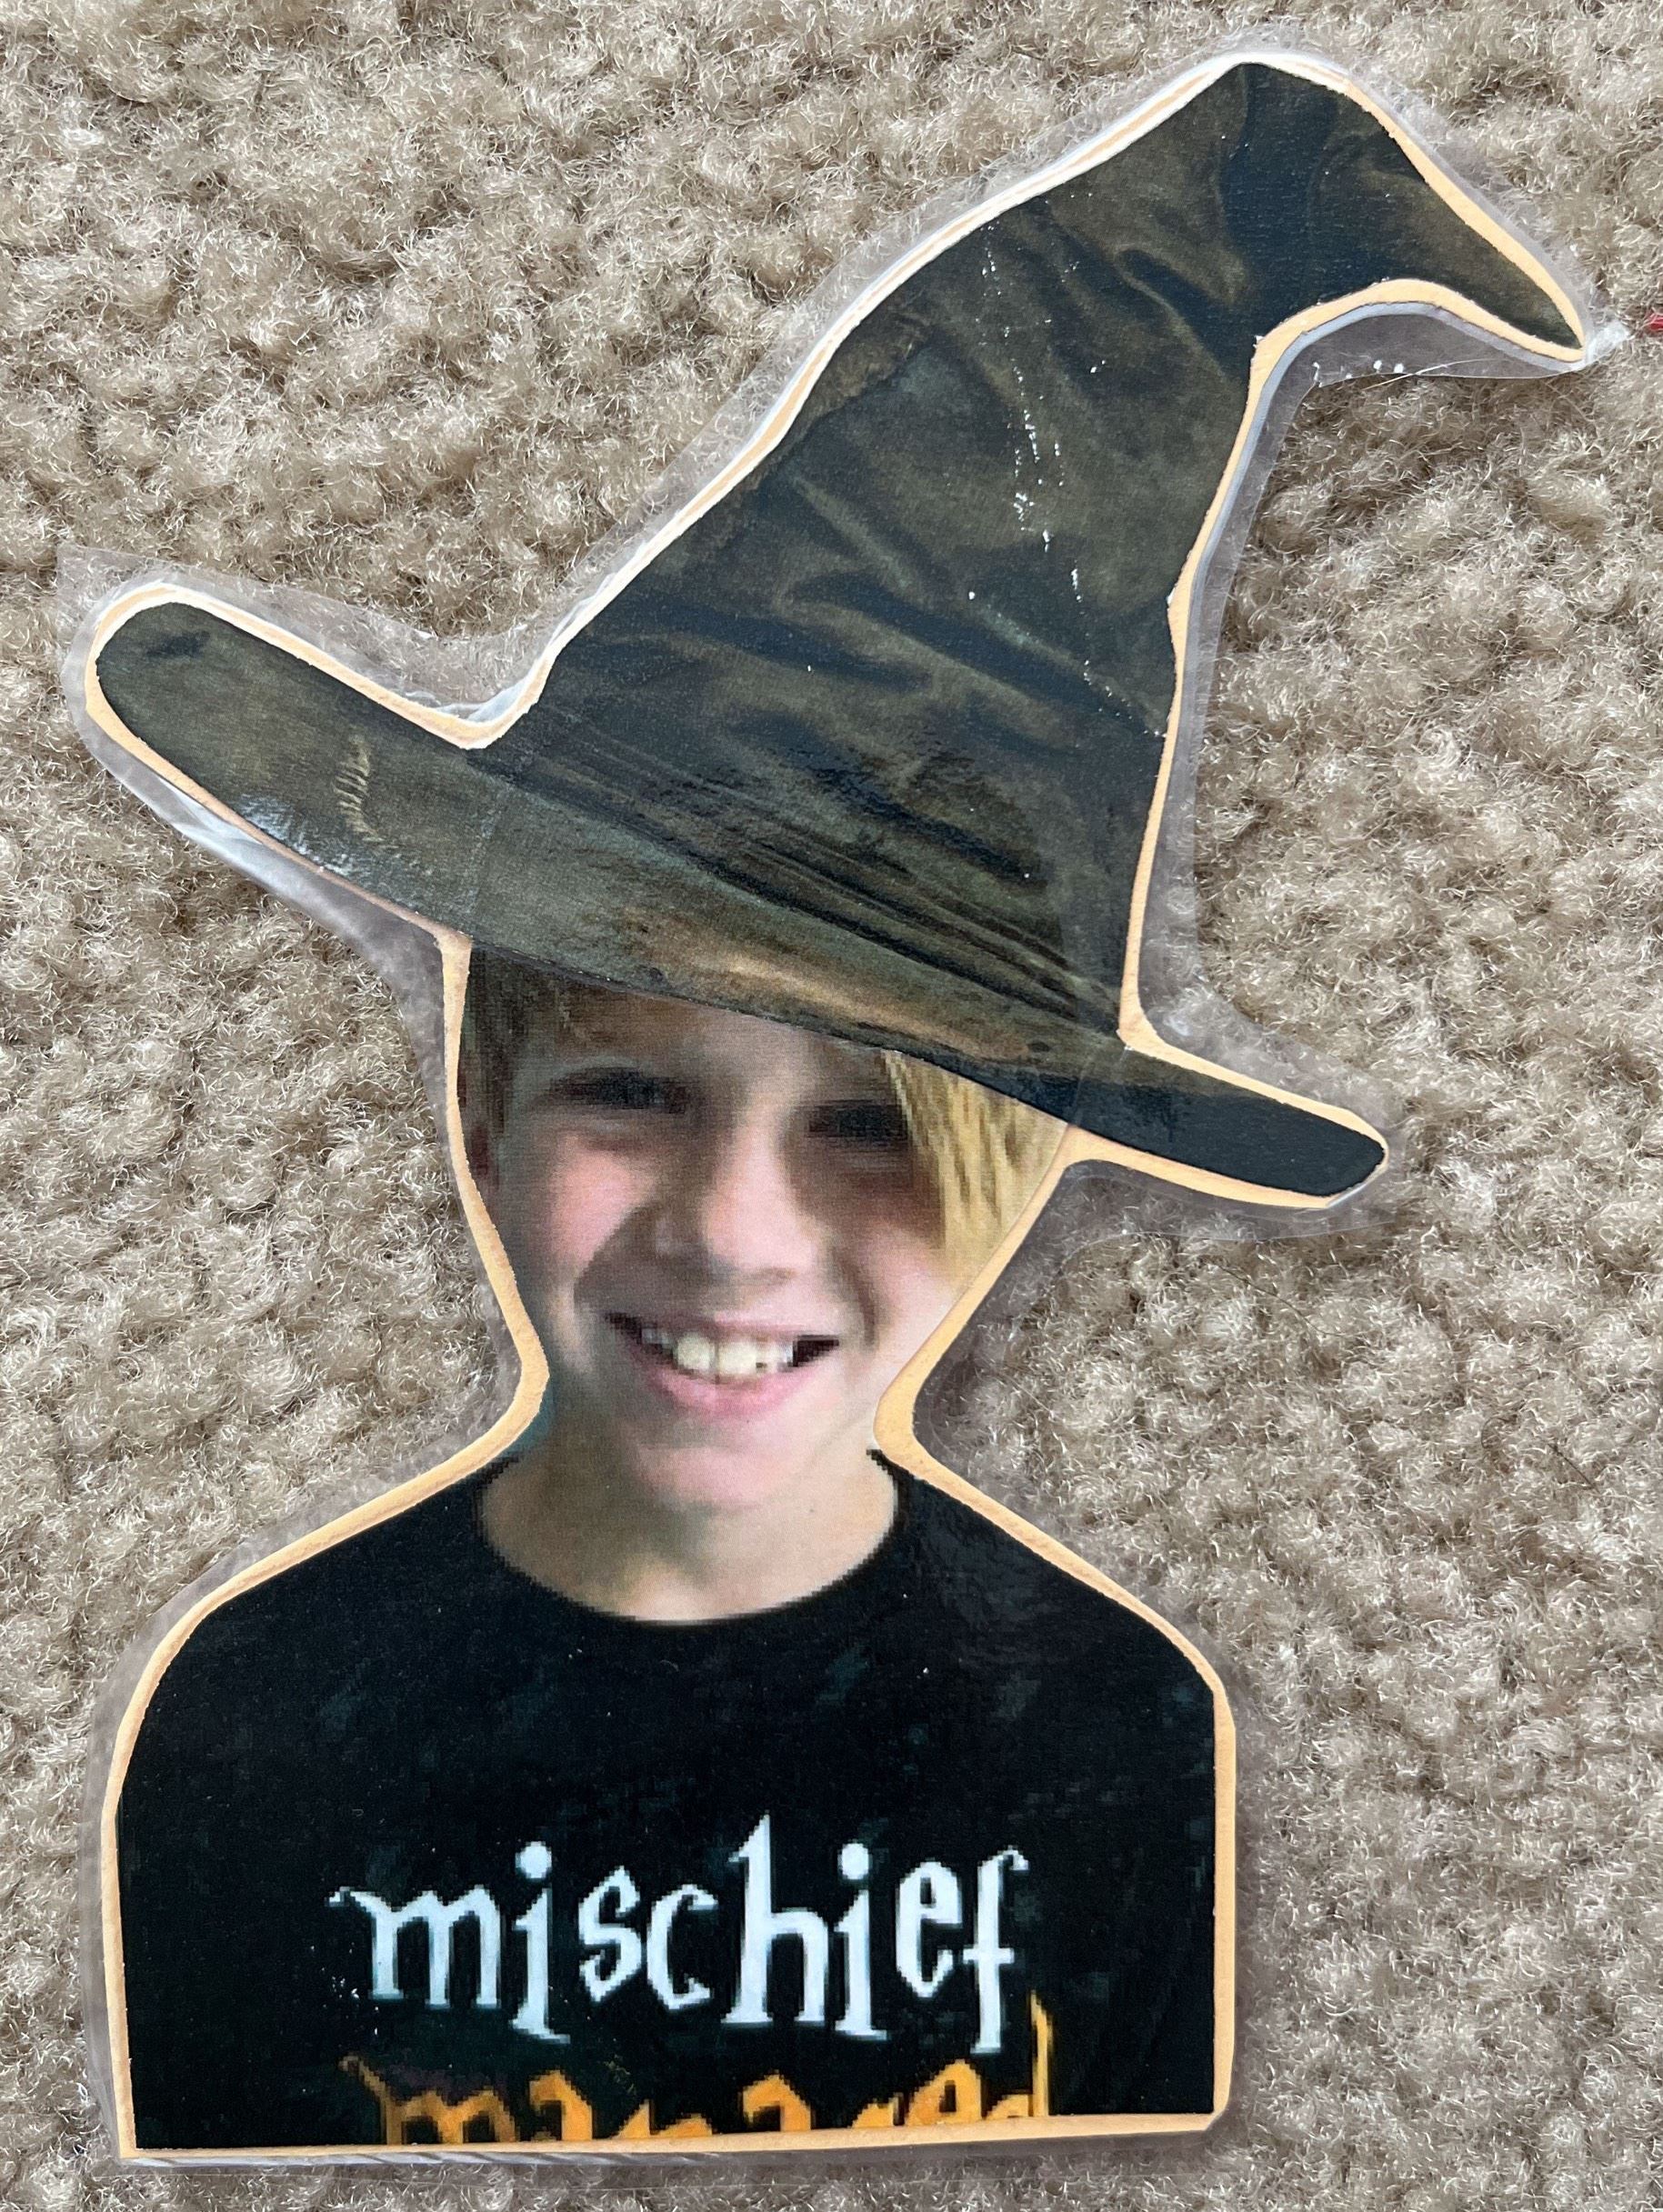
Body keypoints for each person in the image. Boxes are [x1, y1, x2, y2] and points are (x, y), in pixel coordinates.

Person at [110, 956, 1223, 2153]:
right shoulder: (256, 1703)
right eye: (632, 1092)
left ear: (1019, 1177)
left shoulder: (1121, 1722)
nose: (730, 1235)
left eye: (874, 1122)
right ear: (483, 1126)